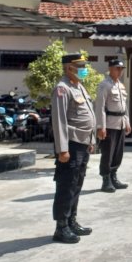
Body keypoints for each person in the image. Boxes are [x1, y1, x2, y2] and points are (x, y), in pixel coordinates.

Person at [51, 53, 96, 244]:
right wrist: (62, 149)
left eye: (84, 66)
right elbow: (59, 121)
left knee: (77, 184)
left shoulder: (79, 87)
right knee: (66, 186)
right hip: (70, 145)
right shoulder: (62, 89)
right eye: (80, 66)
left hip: (82, 144)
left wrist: (92, 140)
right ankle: (61, 227)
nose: (84, 69)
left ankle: (71, 221)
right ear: (69, 68)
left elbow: (89, 116)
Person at [95, 58, 131, 193]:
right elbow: (100, 107)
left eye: (121, 69)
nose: (120, 71)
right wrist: (101, 126)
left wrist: (127, 122)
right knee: (107, 153)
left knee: (118, 153)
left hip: (120, 123)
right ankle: (106, 180)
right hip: (109, 124)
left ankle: (114, 177)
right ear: (110, 69)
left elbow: (124, 107)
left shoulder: (120, 85)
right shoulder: (105, 85)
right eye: (117, 68)